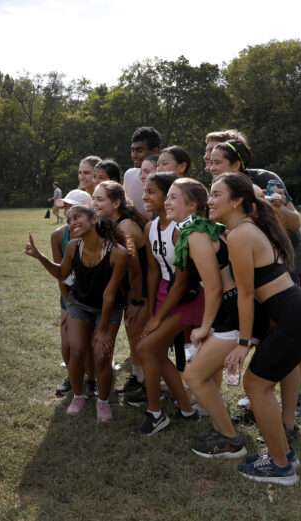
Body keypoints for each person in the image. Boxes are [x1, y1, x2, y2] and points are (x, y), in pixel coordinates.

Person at [212, 172, 301, 485]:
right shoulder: (244, 229)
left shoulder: (240, 235)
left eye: (215, 194)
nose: (209, 200)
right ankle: (285, 454)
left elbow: (247, 295)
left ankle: (280, 467)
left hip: (298, 316)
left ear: (237, 201)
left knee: (256, 386)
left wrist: (242, 342)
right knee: (259, 385)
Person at [206, 132, 301, 422]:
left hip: (290, 265)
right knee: (272, 334)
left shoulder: (264, 180)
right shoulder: (219, 192)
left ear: (236, 163)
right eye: (207, 160)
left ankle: (295, 397)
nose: (209, 166)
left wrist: (272, 206)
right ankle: (264, 396)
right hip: (257, 268)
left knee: (292, 334)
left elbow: (294, 222)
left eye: (216, 161)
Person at [177, 179, 267, 459]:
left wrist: (205, 326)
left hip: (235, 314)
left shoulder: (197, 234)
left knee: (193, 374)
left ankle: (230, 440)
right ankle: (222, 431)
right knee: (199, 373)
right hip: (234, 311)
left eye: (171, 197)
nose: (166, 203)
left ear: (192, 204)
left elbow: (214, 286)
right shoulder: (208, 230)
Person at [25, 205, 129, 420]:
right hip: (79, 303)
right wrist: (40, 257)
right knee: (77, 349)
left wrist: (102, 330)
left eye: (77, 217)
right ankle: (78, 396)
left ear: (93, 219)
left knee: (102, 354)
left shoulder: (117, 252)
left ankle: (103, 401)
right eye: (69, 219)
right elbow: (62, 273)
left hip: (108, 307)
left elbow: (110, 294)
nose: (72, 222)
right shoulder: (73, 246)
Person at [129, 173, 203, 435]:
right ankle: (186, 410)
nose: (144, 197)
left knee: (146, 348)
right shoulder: (150, 227)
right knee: (157, 353)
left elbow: (182, 282)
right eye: (144, 191)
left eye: (151, 192)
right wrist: (152, 311)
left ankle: (155, 414)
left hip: (187, 298)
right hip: (163, 294)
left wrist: (157, 319)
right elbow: (153, 272)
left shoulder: (181, 229)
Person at [91, 181, 149, 395]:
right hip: (131, 292)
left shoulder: (125, 227)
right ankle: (138, 378)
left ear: (116, 203)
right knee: (134, 335)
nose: (94, 203)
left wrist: (136, 301)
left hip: (142, 292)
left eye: (100, 199)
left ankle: (145, 384)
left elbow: (135, 271)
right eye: (94, 198)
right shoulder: (111, 224)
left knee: (138, 336)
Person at [49, 189, 95, 397]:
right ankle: (72, 374)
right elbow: (61, 273)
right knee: (68, 339)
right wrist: (68, 305)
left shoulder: (99, 233)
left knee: (91, 340)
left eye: (74, 208)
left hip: (95, 293)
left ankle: (92, 380)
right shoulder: (59, 235)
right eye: (66, 207)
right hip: (71, 293)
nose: (68, 212)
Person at [123, 127, 161, 218]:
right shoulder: (129, 175)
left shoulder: (168, 180)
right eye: (132, 150)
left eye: (139, 151)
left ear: (155, 151)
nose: (134, 155)